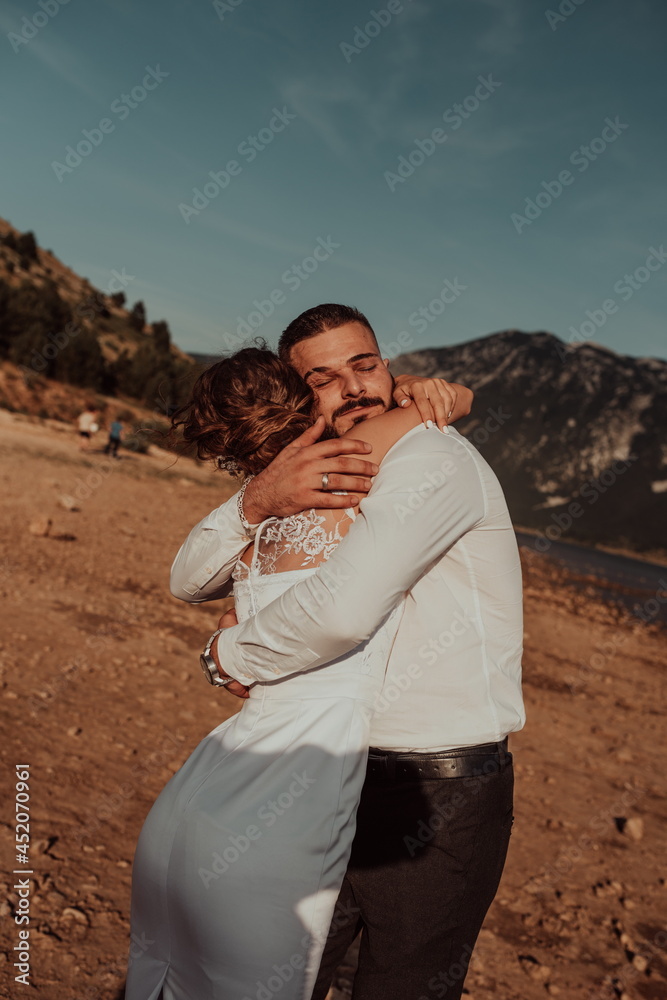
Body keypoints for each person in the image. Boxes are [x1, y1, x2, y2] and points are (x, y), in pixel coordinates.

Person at [171, 304, 525, 1000]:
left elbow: (342, 609)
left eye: (365, 365)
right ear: (301, 395)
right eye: (326, 377)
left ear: (388, 368)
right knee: (284, 975)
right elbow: (190, 580)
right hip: (330, 771)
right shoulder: (318, 474)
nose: (356, 387)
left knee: (401, 987)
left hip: (437, 790)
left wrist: (230, 656)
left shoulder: (430, 456)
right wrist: (255, 502)